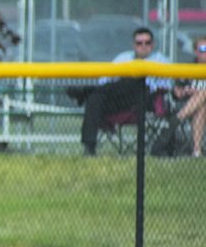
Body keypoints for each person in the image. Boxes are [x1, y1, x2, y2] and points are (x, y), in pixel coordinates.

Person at [72, 27, 171, 155]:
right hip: (119, 100)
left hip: (144, 99)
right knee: (95, 99)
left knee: (134, 80)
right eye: (139, 43)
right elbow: (104, 80)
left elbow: (167, 86)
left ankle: (85, 93)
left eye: (147, 43)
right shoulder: (123, 58)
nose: (143, 46)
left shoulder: (161, 61)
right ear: (133, 45)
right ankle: (89, 147)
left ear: (153, 45)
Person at [171, 36, 206, 157]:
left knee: (203, 93)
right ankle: (197, 150)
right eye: (203, 49)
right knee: (202, 106)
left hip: (189, 109)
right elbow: (177, 93)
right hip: (188, 105)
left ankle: (177, 119)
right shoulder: (188, 68)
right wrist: (187, 91)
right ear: (196, 52)